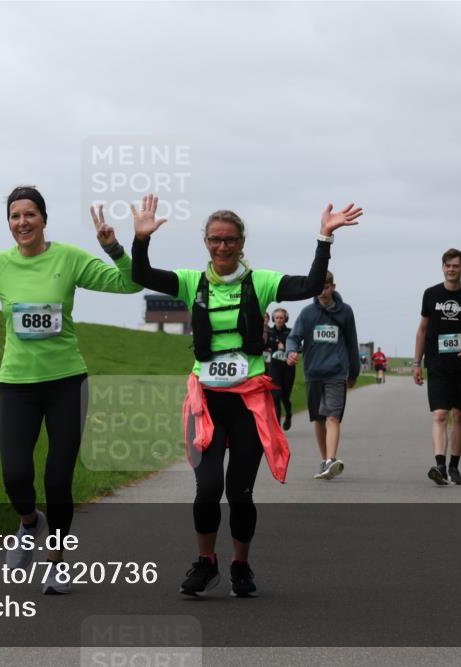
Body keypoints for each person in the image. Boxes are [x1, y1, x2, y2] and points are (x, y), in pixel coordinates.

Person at [130, 194, 362, 597]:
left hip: (248, 404)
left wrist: (324, 237)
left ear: (242, 243)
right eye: (216, 240)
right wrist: (140, 239)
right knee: (206, 490)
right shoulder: (191, 282)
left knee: (239, 493)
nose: (223, 247)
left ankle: (240, 565)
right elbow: (142, 274)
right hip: (205, 403)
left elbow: (308, 285)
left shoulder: (261, 282)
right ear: (206, 242)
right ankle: (206, 563)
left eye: (231, 240)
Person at [0, 186, 142, 593]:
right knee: (15, 475)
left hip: (66, 382)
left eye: (30, 214)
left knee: (58, 480)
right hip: (17, 385)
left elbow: (130, 285)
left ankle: (57, 562)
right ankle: (30, 522)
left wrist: (114, 248)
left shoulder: (69, 259)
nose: (22, 222)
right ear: (9, 223)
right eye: (14, 216)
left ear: (44, 219)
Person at [413, 248, 461, 486]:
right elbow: (422, 329)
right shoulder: (431, 294)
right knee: (440, 414)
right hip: (437, 364)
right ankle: (440, 466)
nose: (451, 269)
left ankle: (454, 466)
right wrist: (417, 362)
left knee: (459, 414)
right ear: (442, 267)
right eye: (447, 265)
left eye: (455, 266)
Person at [285, 271, 360, 480]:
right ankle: (325, 459)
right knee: (318, 419)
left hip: (336, 372)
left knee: (333, 417)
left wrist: (354, 371)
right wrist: (291, 352)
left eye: (326, 287)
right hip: (313, 373)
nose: (323, 292)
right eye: (319, 288)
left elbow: (352, 343)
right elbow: (294, 337)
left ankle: (330, 460)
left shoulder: (345, 312)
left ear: (333, 287)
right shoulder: (307, 313)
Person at [265, 308, 296, 430]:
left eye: (281, 318)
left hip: (288, 368)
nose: (279, 320)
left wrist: (287, 348)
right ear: (273, 319)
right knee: (275, 396)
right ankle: (277, 426)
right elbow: (263, 345)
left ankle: (288, 415)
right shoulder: (270, 332)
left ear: (285, 319)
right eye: (277, 317)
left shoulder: (290, 332)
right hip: (274, 368)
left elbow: (299, 348)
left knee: (285, 397)